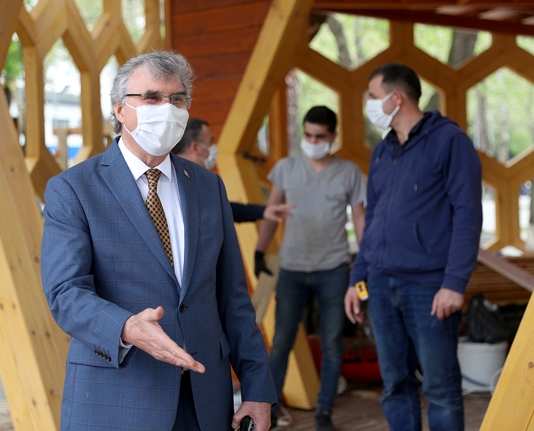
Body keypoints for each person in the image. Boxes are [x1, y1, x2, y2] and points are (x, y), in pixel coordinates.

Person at [41, 51, 277, 431]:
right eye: (151, 97)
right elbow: (65, 293)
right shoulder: (73, 188)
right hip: (118, 398)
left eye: (177, 99)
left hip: (206, 400)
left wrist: (257, 388)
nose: (166, 109)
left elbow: (233, 297)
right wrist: (126, 327)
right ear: (120, 109)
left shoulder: (208, 186)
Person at [344, 63, 482, 431]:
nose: (370, 105)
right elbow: (373, 221)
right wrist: (357, 280)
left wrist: (454, 283)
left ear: (396, 97)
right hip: (379, 285)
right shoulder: (381, 151)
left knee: (440, 388)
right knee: (394, 385)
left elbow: (468, 214)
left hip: (429, 287)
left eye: (373, 97)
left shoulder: (450, 141)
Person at [255, 106, 366, 431]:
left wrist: (364, 264)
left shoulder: (349, 172)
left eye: (320, 137)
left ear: (333, 137)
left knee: (332, 343)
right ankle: (270, 412)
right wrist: (260, 250)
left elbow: (361, 220)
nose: (313, 142)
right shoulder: (286, 168)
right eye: (308, 135)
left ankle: (324, 412)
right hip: (291, 269)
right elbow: (272, 213)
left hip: (334, 269)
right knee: (281, 342)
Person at [172, 118, 295, 223]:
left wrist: (262, 211)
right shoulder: (175, 183)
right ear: (196, 148)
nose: (214, 147)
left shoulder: (199, 181)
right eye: (210, 142)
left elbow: (223, 210)